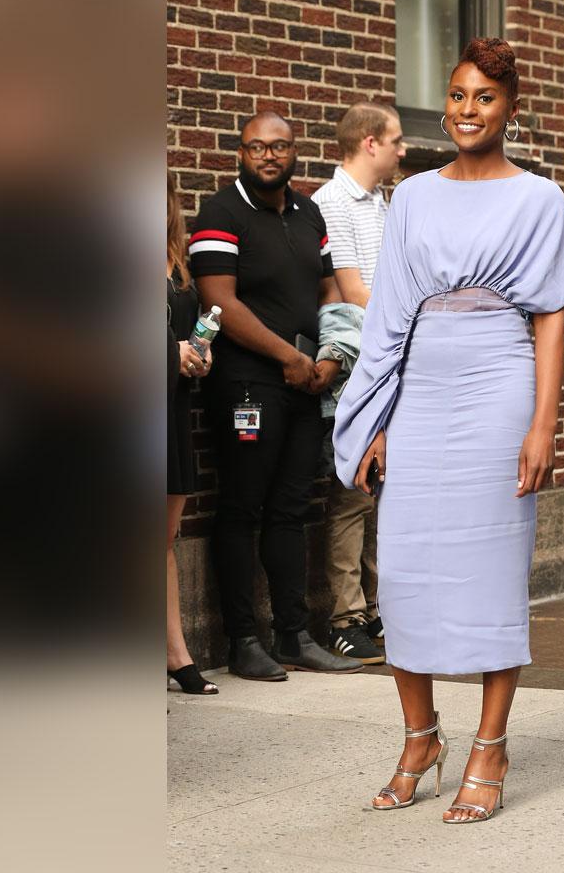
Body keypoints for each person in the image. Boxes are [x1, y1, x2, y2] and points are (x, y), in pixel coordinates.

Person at [333, 39, 564, 822]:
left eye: (484, 97)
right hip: (421, 384)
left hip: (497, 381)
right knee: (406, 568)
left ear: (511, 108)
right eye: (456, 96)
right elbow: (385, 317)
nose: (466, 110)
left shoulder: (539, 199)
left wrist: (542, 424)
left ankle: (490, 746)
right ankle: (421, 737)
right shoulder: (411, 197)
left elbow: (550, 317)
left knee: (490, 566)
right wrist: (374, 419)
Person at [191, 111, 362, 681]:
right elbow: (219, 301)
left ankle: (292, 634)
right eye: (256, 147)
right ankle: (243, 640)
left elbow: (329, 287)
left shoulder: (310, 213)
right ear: (240, 153)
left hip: (306, 380)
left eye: (280, 146)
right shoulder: (221, 212)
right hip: (247, 382)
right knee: (242, 507)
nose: (269, 155)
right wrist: (287, 357)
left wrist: (333, 353)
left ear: (295, 152)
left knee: (292, 509)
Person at [310, 101, 407, 665]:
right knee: (351, 492)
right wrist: (410, 324)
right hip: (358, 364)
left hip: (390, 355)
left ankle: (374, 610)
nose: (402, 150)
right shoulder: (331, 204)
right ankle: (345, 619)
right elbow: (352, 292)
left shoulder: (383, 202)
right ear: (369, 142)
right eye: (395, 140)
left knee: (380, 492)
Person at [166, 172, 218, 695]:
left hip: (173, 408)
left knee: (163, 538)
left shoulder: (177, 261)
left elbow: (191, 327)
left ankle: (174, 652)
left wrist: (199, 355)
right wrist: (168, 354)